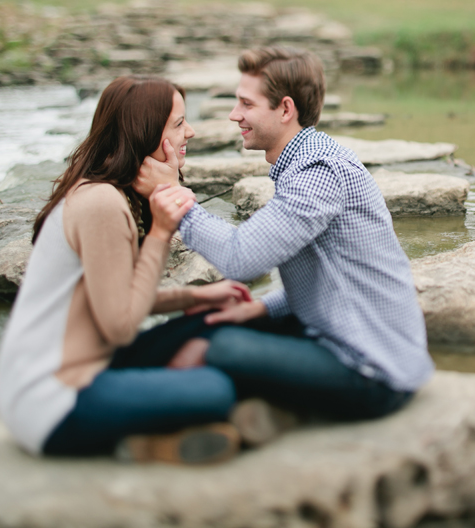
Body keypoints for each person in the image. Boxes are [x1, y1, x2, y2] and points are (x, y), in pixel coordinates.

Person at [138, 46, 435, 425]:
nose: (234, 115)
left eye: (246, 103)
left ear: (285, 109)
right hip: (336, 334)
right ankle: (121, 372)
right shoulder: (303, 161)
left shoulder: (318, 173)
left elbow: (239, 259)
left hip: (372, 369)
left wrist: (172, 198)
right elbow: (331, 279)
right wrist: (262, 309)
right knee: (212, 320)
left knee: (220, 346)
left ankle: (156, 412)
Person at [0, 75, 252, 464]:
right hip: (50, 400)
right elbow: (119, 324)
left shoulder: (109, 193)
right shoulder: (101, 204)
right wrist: (161, 232)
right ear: (146, 133)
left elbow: (113, 298)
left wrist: (196, 296)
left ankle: (146, 429)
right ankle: (144, 441)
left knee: (217, 320)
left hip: (92, 364)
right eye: (179, 124)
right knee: (217, 389)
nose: (192, 132)